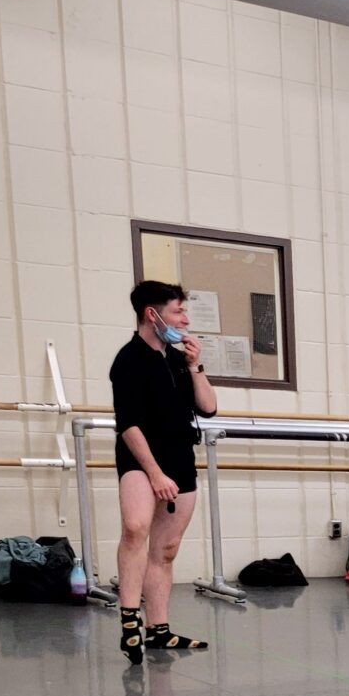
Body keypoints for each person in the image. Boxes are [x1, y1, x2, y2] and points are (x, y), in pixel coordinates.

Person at [109, 280, 217, 664]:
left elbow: (207, 407)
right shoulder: (128, 360)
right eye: (177, 311)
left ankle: (160, 630)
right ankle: (129, 624)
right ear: (151, 314)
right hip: (141, 459)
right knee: (136, 529)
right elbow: (129, 424)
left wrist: (194, 365)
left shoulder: (175, 359)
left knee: (166, 550)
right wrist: (154, 473)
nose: (185, 319)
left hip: (179, 456)